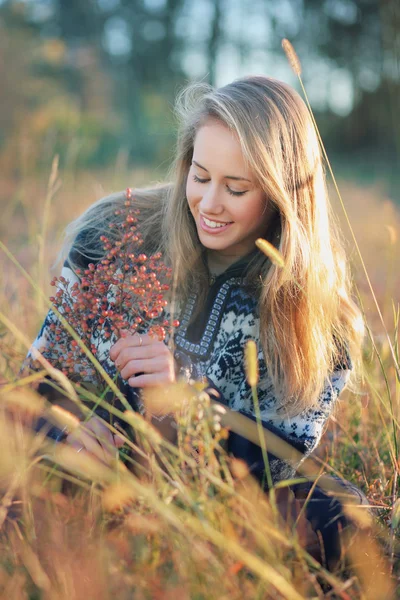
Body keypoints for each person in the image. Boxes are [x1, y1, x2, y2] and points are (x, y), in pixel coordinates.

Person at [26, 76, 367, 569]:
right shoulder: (109, 235)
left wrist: (188, 405)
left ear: (282, 193)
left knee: (344, 524)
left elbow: (280, 469)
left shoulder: (321, 323)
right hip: (81, 492)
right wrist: (65, 435)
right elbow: (35, 381)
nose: (209, 204)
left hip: (214, 515)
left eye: (236, 188)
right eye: (200, 176)